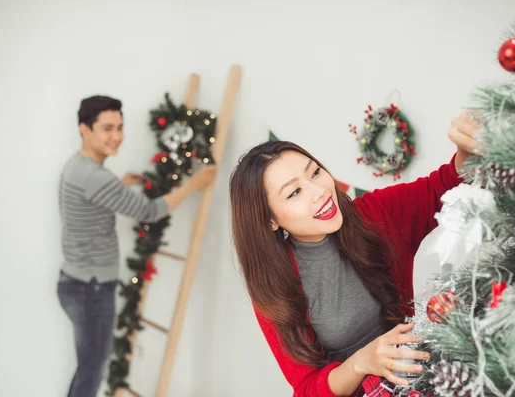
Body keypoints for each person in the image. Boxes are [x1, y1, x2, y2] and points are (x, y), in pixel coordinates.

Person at [229, 112, 480, 397]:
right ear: (269, 220)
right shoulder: (274, 287)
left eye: (314, 172)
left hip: (420, 372)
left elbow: (444, 185)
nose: (319, 191)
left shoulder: (374, 214)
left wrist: (466, 149)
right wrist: (361, 363)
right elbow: (307, 390)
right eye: (294, 192)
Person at [57, 95, 217, 397]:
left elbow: (89, 197)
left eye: (120, 127)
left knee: (88, 366)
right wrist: (195, 183)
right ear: (84, 129)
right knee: (92, 371)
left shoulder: (78, 166)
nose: (116, 136)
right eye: (107, 128)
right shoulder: (95, 177)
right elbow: (150, 212)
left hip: (76, 282)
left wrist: (118, 186)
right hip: (89, 288)